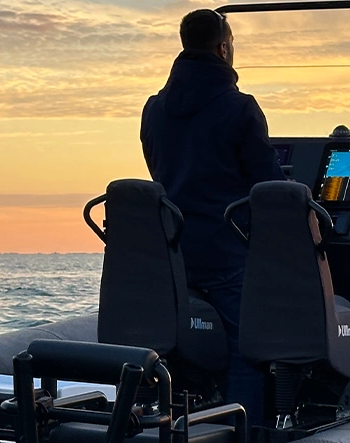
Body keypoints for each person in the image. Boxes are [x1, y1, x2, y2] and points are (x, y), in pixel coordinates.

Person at [139, 8, 284, 428]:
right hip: (225, 255)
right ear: (223, 48)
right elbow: (269, 187)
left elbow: (160, 173)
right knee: (247, 348)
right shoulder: (240, 108)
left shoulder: (154, 109)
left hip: (174, 256)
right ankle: (242, 431)